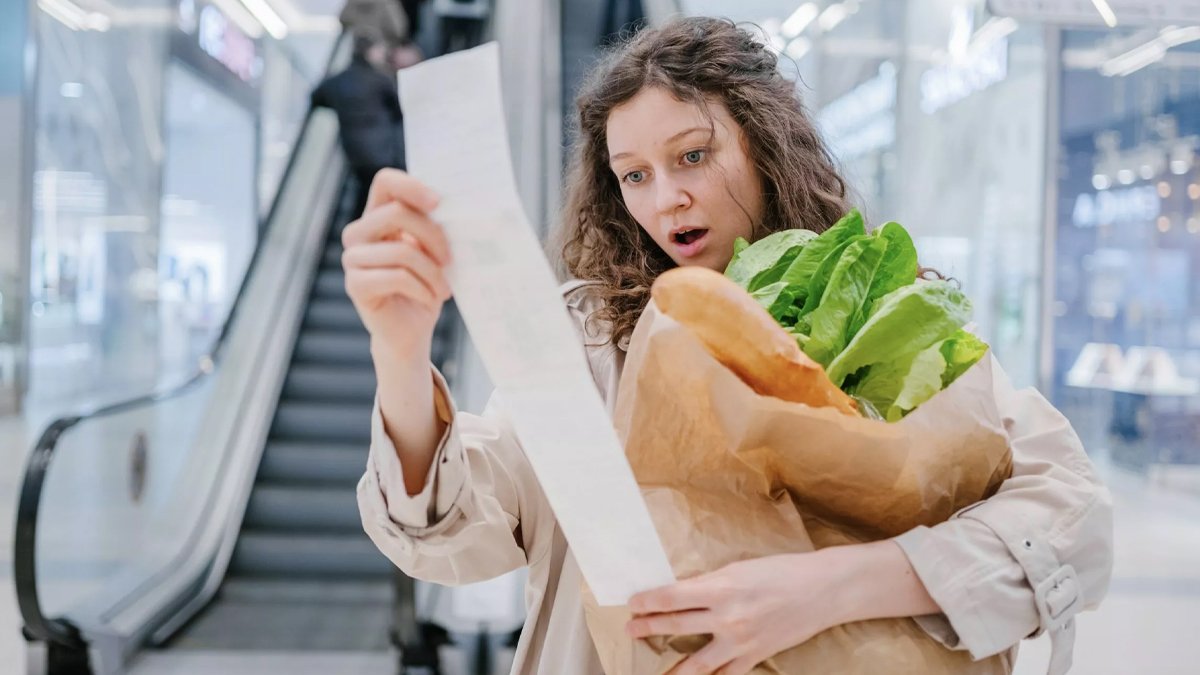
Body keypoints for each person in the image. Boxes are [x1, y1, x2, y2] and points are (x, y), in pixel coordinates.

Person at [346, 17, 1113, 675]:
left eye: (692, 155)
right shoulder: (589, 341)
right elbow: (458, 530)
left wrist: (833, 586)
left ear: (765, 145)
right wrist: (400, 354)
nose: (666, 198)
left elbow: (1070, 517)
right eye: (634, 175)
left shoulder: (882, 311)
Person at [311, 32, 407, 218]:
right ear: (369, 52)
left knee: (365, 192)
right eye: (379, 50)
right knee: (384, 191)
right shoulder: (379, 80)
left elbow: (316, 98)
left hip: (355, 153)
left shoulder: (337, 81)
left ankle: (361, 225)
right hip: (382, 150)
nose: (383, 55)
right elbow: (399, 109)